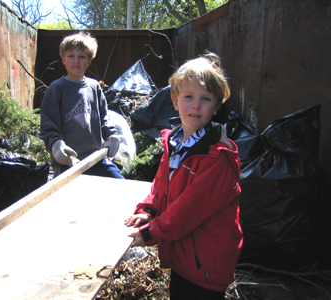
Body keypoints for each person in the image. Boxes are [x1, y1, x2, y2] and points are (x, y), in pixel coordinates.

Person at [125, 52, 243, 299]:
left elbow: (188, 210)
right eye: (188, 96)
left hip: (206, 262)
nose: (196, 105)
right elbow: (161, 185)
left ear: (216, 105)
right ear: (175, 101)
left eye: (206, 99)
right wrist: (147, 209)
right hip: (183, 255)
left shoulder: (217, 158)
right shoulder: (176, 141)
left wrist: (151, 232)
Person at [40, 32, 124, 179]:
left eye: (82, 57)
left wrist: (112, 135)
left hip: (96, 160)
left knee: (121, 186)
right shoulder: (56, 89)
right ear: (63, 59)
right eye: (71, 56)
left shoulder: (95, 87)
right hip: (68, 162)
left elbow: (104, 118)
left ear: (89, 61)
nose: (76, 61)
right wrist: (56, 145)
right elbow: (48, 125)